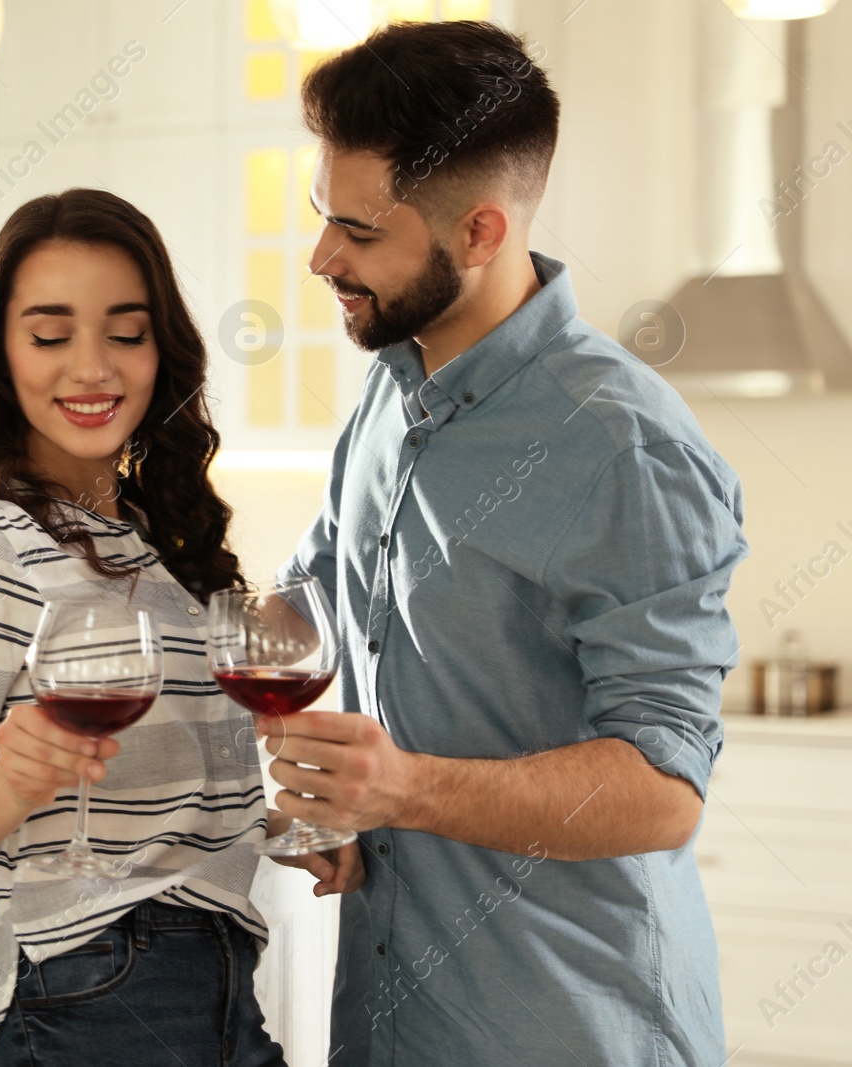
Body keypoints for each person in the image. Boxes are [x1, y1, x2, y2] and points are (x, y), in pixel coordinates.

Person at [265, 20, 746, 1067]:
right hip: (392, 1019)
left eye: (356, 229)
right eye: (319, 216)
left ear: (478, 232)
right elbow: (308, 599)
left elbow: (663, 787)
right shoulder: (390, 392)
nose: (320, 257)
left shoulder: (623, 444)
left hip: (566, 1027)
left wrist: (400, 788)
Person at [0, 188, 303, 1067]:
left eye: (125, 333)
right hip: (81, 988)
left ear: (160, 349)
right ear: (1, 353)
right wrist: (12, 781)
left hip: (202, 975)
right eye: (50, 334)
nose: (91, 367)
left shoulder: (139, 541)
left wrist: (294, 826)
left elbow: (156, 816)